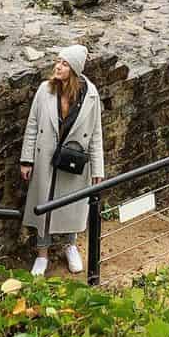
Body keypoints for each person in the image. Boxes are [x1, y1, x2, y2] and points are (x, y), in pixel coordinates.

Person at [19, 45, 104, 278]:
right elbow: (33, 125)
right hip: (46, 157)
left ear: (74, 69)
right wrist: (26, 160)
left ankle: (70, 245)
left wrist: (98, 168)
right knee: (44, 205)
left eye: (64, 63)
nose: (57, 66)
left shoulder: (91, 96)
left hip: (74, 159)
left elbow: (95, 133)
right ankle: (42, 253)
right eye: (57, 61)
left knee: (72, 205)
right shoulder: (45, 90)